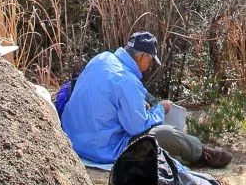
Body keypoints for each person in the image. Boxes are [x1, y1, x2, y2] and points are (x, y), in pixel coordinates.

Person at [61, 32, 232, 168]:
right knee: (166, 134)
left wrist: (147, 99)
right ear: (142, 56)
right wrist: (160, 110)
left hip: (72, 140)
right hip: (102, 149)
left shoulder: (102, 58)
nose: (148, 65)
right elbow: (136, 126)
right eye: (150, 60)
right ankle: (202, 153)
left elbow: (123, 91)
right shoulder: (126, 80)